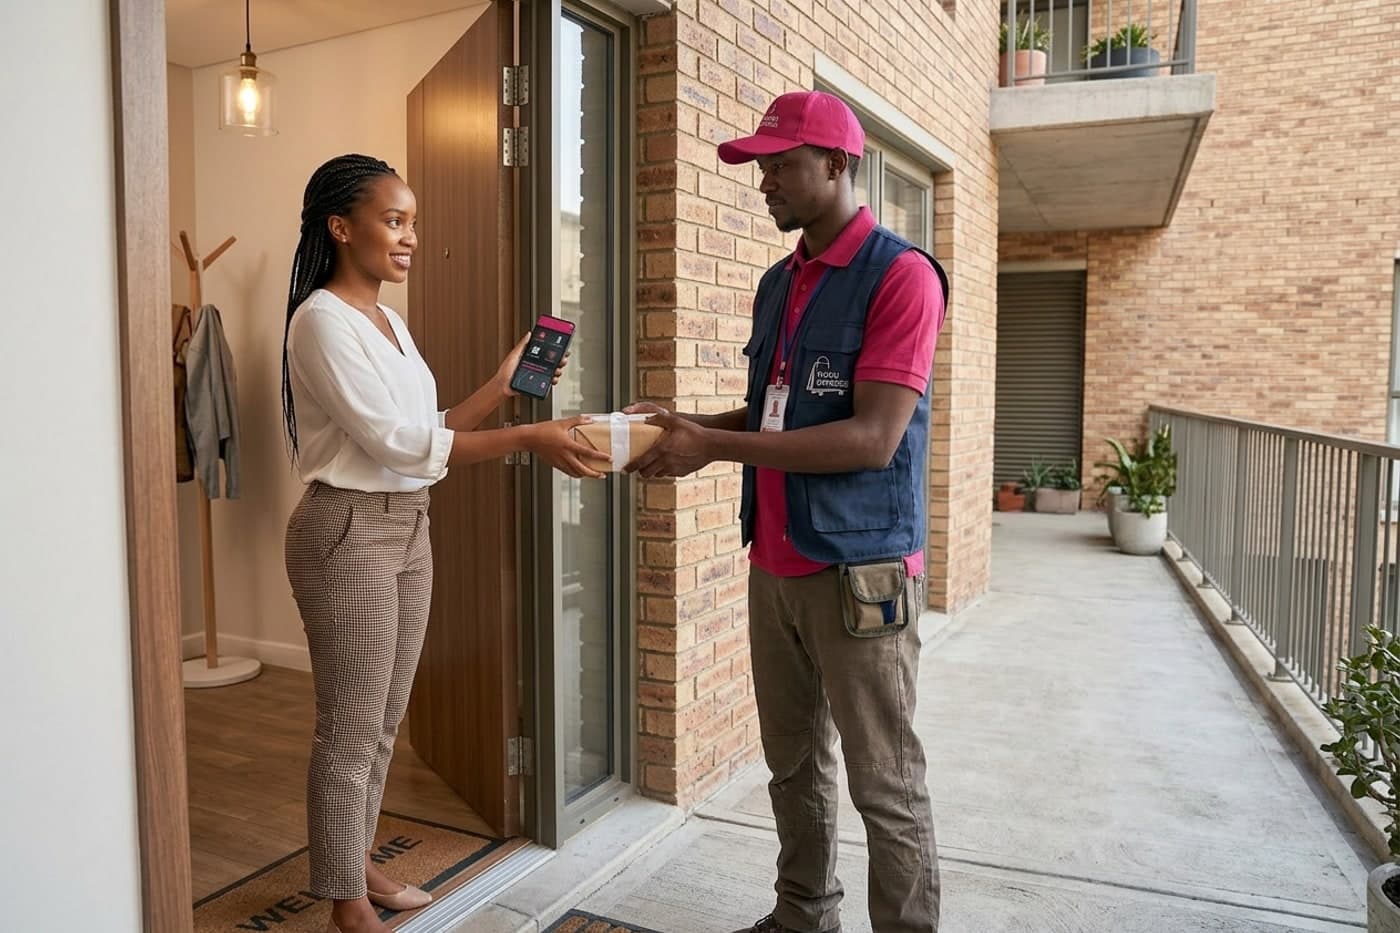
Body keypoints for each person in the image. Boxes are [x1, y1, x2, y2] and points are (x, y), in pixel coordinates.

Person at [625, 93, 948, 933]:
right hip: (773, 562)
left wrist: (712, 447)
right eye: (760, 165)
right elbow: (775, 415)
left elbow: (873, 437)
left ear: (839, 164)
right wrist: (687, 426)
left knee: (886, 781)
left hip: (858, 572)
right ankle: (803, 915)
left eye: (780, 163)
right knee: (793, 762)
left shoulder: (901, 276)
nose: (764, 180)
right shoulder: (781, 281)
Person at [280, 153, 608, 933]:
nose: (410, 238)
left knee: (386, 718)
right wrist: (529, 436)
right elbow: (396, 445)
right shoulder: (319, 320)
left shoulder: (389, 322)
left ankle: (353, 856)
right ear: (340, 226)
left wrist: (501, 390)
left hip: (407, 524)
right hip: (348, 531)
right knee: (350, 726)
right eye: (394, 221)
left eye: (413, 223)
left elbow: (424, 437)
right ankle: (344, 901)